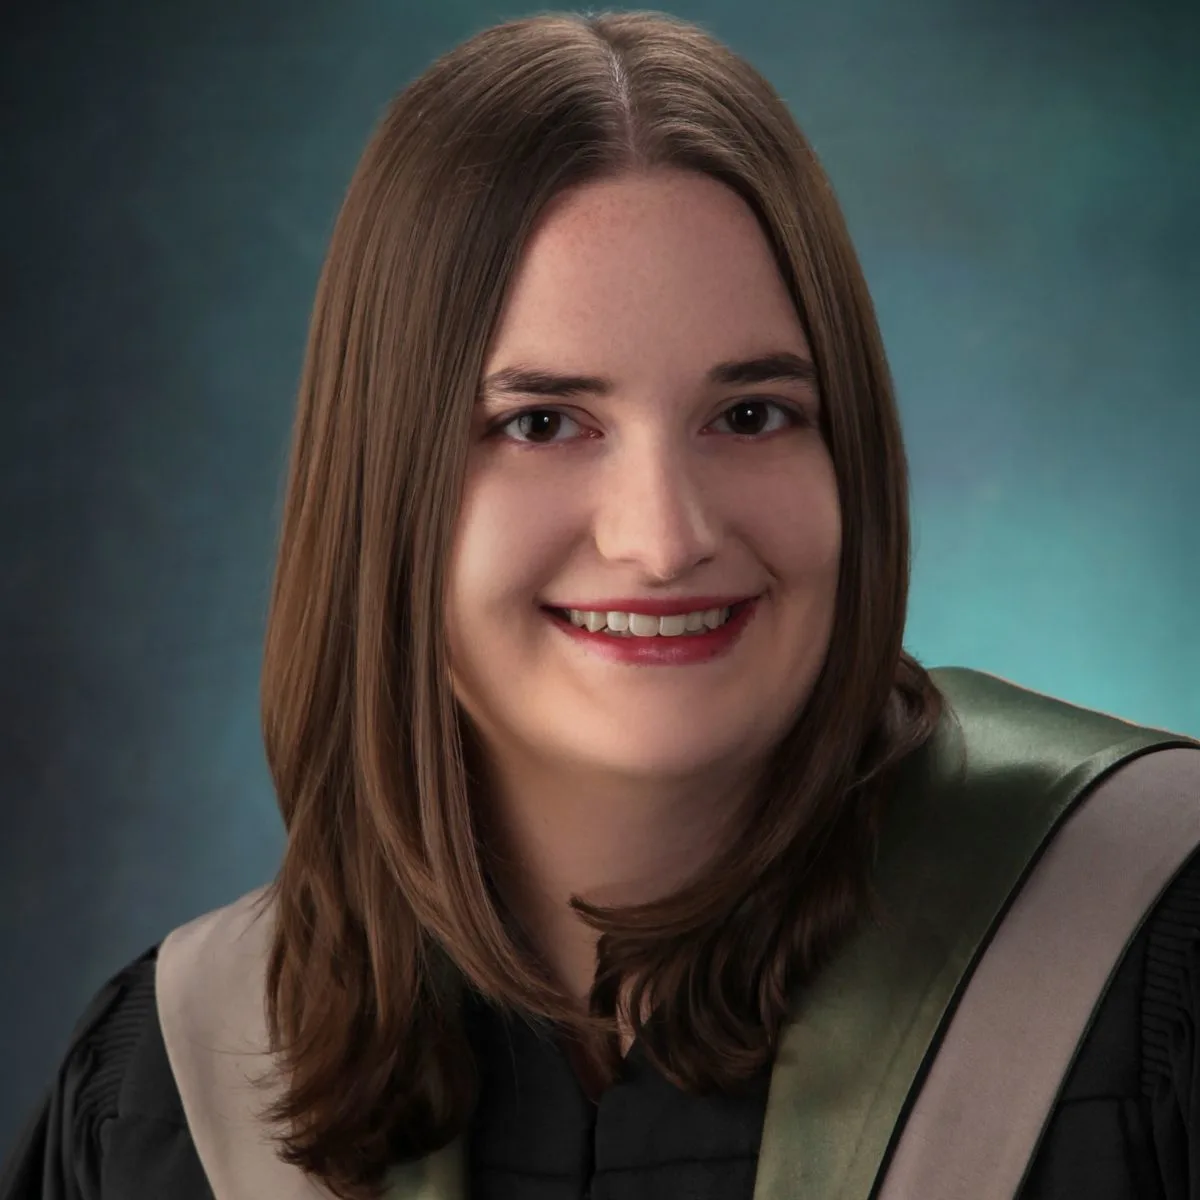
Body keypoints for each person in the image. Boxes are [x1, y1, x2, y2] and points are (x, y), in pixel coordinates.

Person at [3, 9, 1198, 1200]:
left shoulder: (1152, 954)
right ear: (383, 486)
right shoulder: (173, 1091)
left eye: (751, 414)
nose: (665, 538)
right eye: (540, 424)